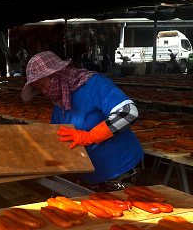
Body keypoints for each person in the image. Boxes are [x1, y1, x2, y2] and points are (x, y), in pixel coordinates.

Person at [21, 51, 144, 192]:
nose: (43, 92)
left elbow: (128, 111)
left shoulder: (94, 85)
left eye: (43, 85)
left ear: (57, 74)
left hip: (119, 170)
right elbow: (58, 137)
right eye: (39, 89)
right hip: (88, 175)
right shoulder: (60, 102)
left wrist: (89, 136)